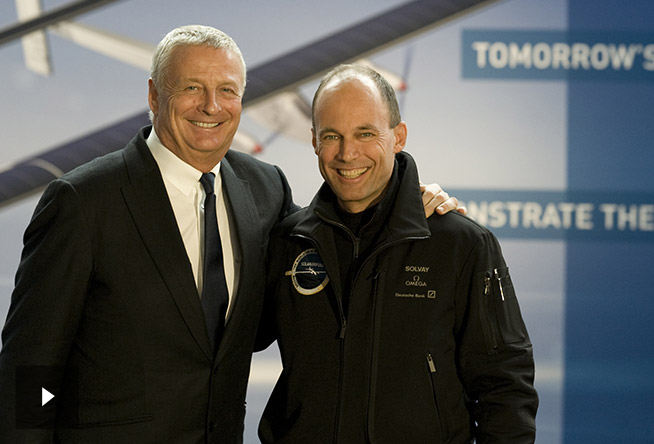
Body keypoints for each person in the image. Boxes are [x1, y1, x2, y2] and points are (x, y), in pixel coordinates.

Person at [0, 25, 459, 443]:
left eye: (227, 91)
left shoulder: (265, 189)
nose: (211, 106)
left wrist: (410, 200)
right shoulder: (81, 202)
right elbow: (28, 371)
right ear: (155, 95)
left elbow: (337, 252)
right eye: (192, 89)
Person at [255, 64, 539, 443]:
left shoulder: (460, 244)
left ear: (398, 136)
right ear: (314, 141)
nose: (347, 153)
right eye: (332, 136)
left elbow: (505, 390)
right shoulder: (289, 242)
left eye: (365, 133)